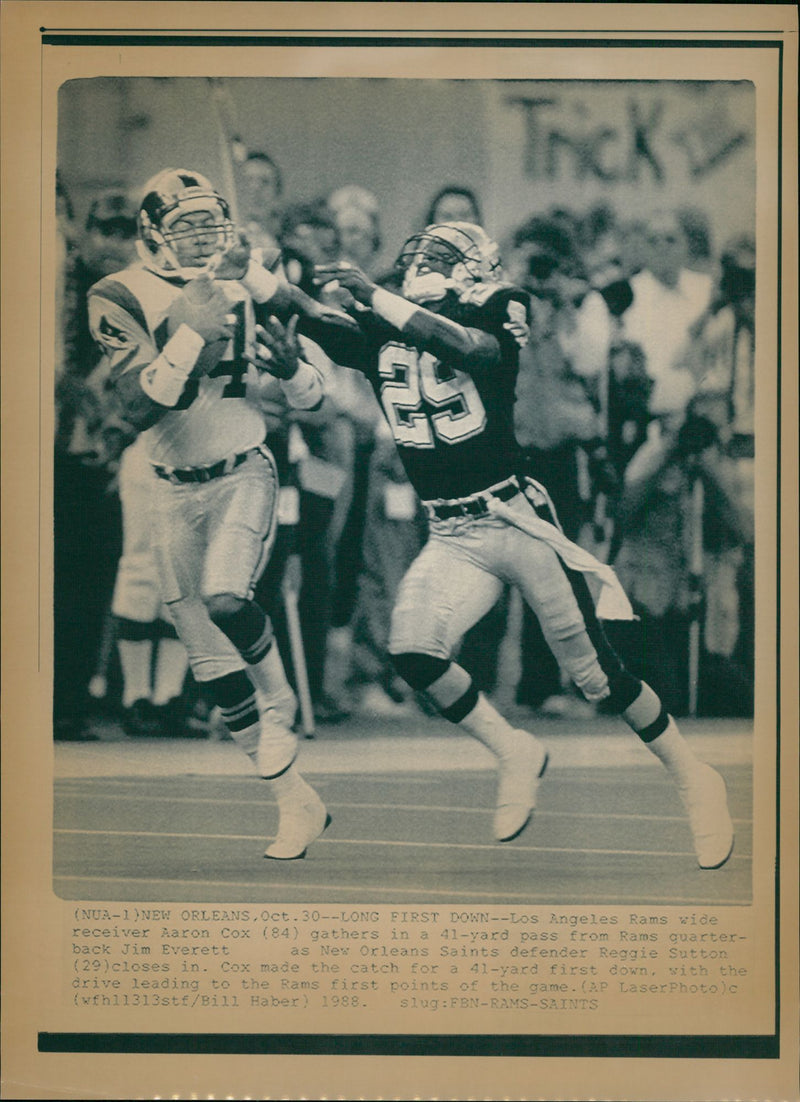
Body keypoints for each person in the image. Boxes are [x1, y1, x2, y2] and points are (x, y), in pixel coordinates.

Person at [307, 220, 735, 869]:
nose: (425, 265)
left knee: (596, 676)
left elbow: (472, 351)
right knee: (413, 650)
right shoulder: (389, 325)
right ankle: (513, 750)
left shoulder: (502, 305)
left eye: (442, 257)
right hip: (450, 530)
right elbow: (327, 330)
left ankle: (692, 773)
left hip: (515, 517)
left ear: (476, 268)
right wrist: (267, 290)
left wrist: (376, 297)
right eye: (421, 254)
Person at [87, 167, 350, 859]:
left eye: (211, 223)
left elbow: (316, 394)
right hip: (169, 483)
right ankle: (295, 803)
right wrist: (187, 334)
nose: (203, 238)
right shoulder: (116, 294)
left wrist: (292, 366)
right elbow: (136, 408)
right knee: (208, 666)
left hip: (243, 471)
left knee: (228, 597)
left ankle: (283, 703)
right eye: (186, 227)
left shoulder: (247, 275)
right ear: (152, 233)